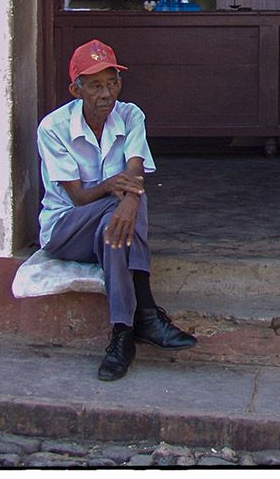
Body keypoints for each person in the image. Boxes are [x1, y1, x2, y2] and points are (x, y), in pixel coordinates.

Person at [37, 39, 197, 381]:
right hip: (66, 229)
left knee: (116, 228)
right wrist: (116, 189)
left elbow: (135, 170)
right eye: (95, 86)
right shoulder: (53, 128)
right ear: (75, 90)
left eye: (112, 84)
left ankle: (123, 334)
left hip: (106, 228)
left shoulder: (131, 114)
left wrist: (128, 197)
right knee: (124, 206)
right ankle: (148, 315)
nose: (106, 94)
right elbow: (79, 198)